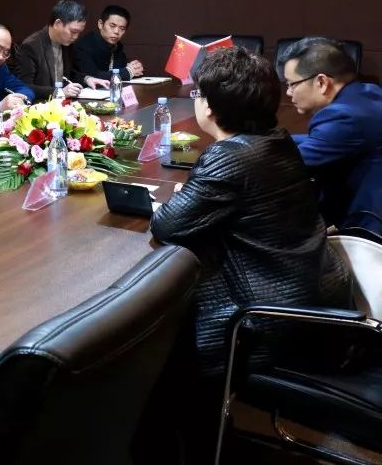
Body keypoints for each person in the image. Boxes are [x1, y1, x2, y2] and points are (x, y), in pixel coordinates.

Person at [149, 47, 350, 462]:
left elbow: (167, 225)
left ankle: (191, 445)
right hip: (318, 298)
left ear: (210, 106)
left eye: (199, 94)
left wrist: (185, 197)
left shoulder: (229, 156)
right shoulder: (276, 140)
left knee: (160, 341)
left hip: (270, 321)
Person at [281, 37, 382, 231]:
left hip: (369, 228)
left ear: (321, 82)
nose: (288, 92)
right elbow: (322, 141)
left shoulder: (343, 116)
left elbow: (291, 165)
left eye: (291, 84)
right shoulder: (369, 92)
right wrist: (271, 139)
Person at [11, 0, 110, 100]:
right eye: (73, 31)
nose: (76, 37)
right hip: (41, 105)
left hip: (63, 104)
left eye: (79, 33)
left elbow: (68, 75)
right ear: (57, 23)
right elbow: (24, 86)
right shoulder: (31, 46)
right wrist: (59, 92)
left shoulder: (67, 43)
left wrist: (87, 79)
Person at [73, 5, 144, 80]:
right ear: (100, 24)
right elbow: (92, 77)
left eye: (122, 28)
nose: (116, 32)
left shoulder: (117, 46)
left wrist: (135, 68)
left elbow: (122, 70)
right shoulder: (84, 45)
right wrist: (128, 72)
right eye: (112, 26)